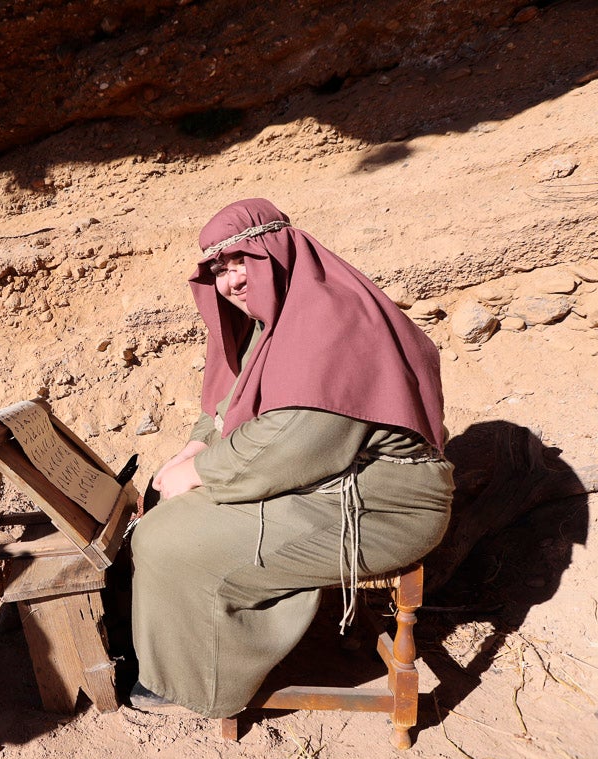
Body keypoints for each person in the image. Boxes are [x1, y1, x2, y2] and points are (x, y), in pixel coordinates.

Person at [128, 198, 454, 718]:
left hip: (384, 506)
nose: (231, 280)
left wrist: (199, 472)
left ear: (278, 252)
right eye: (218, 269)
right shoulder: (278, 321)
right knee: (171, 511)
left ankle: (192, 683)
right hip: (330, 481)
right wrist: (194, 447)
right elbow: (233, 402)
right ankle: (180, 643)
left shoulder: (332, 322)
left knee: (170, 539)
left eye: (241, 262)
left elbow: (295, 442)